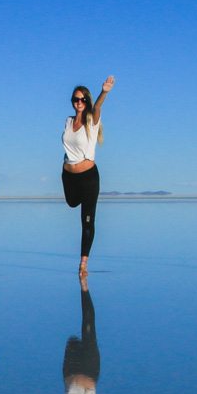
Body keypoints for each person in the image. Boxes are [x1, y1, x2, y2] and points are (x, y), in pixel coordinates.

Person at [62, 77, 114, 276]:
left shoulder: (91, 120)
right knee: (71, 203)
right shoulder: (68, 121)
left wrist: (104, 92)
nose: (79, 103)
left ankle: (83, 264)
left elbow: (99, 106)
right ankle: (82, 201)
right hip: (68, 176)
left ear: (88, 102)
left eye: (83, 99)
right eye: (76, 99)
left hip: (89, 178)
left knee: (87, 221)